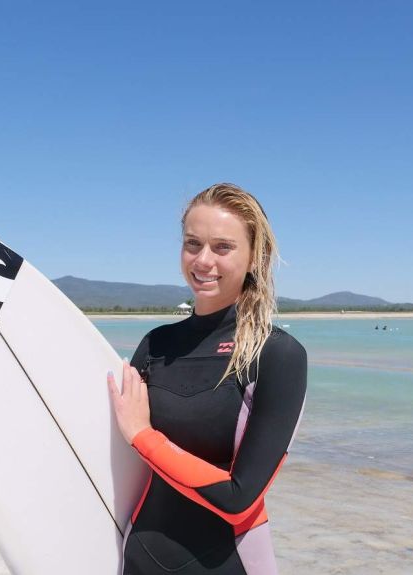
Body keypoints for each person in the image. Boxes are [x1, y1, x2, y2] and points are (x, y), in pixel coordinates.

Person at [107, 183, 307, 574]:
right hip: (140, 557)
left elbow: (239, 499)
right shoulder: (156, 344)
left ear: (254, 257)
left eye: (222, 247)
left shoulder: (277, 354)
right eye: (193, 243)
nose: (203, 260)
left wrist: (143, 435)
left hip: (227, 563)